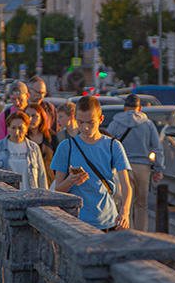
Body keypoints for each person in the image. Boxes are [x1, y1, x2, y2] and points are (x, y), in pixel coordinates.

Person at [51, 96, 132, 231]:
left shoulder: (113, 146)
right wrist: (71, 180)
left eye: (90, 122)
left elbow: (126, 185)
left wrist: (125, 212)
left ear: (101, 120)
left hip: (107, 220)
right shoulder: (66, 147)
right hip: (75, 222)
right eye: (80, 122)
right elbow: (58, 190)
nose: (85, 128)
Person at [105, 94, 164, 232]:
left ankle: (127, 234)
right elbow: (157, 148)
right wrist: (159, 169)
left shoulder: (116, 122)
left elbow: (107, 143)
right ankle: (141, 235)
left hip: (122, 169)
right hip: (143, 168)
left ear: (125, 107)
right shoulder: (148, 124)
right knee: (142, 204)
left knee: (126, 204)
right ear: (140, 108)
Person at [0, 111, 48, 189]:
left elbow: (41, 176)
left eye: (20, 128)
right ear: (8, 128)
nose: (16, 132)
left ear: (26, 129)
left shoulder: (33, 148)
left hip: (30, 195)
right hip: (6, 195)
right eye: (13, 128)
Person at [24, 102, 56, 186]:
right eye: (27, 115)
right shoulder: (22, 138)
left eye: (34, 116)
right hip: (29, 183)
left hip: (49, 182)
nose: (30, 119)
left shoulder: (51, 136)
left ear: (41, 118)